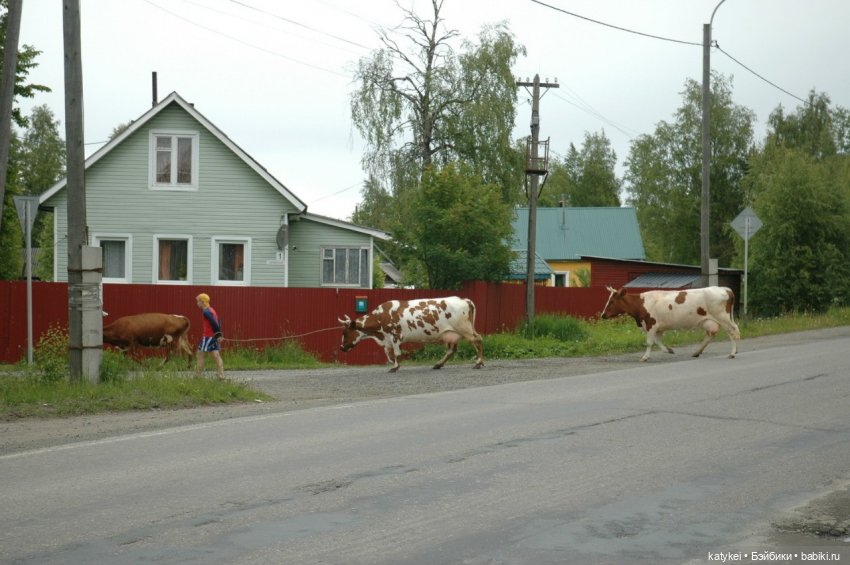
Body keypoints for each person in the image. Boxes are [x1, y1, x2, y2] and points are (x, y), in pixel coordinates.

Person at [195, 293, 224, 378]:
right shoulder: (211, 310)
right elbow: (219, 321)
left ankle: (198, 376)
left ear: (203, 302)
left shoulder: (206, 311)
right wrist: (219, 334)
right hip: (213, 337)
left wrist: (219, 335)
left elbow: (214, 322)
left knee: (200, 354)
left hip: (208, 337)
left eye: (198, 302)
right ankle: (221, 374)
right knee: (216, 355)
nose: (197, 303)